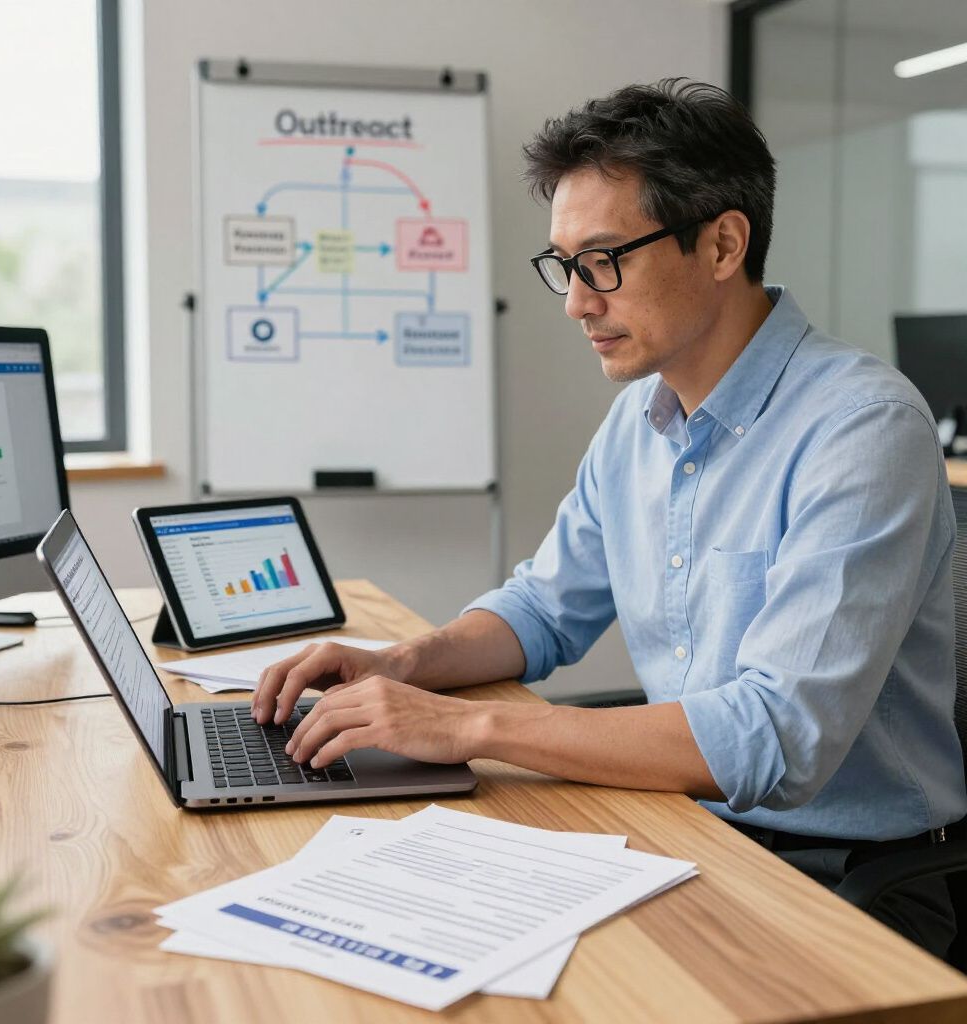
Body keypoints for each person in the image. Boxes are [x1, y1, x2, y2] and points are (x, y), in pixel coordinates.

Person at [251, 79, 967, 955]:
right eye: (564, 265)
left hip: (847, 879)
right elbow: (545, 608)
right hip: (690, 835)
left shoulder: (863, 430)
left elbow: (775, 739)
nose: (576, 302)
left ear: (722, 244)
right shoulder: (643, 415)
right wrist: (399, 665)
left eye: (604, 261)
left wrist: (473, 726)